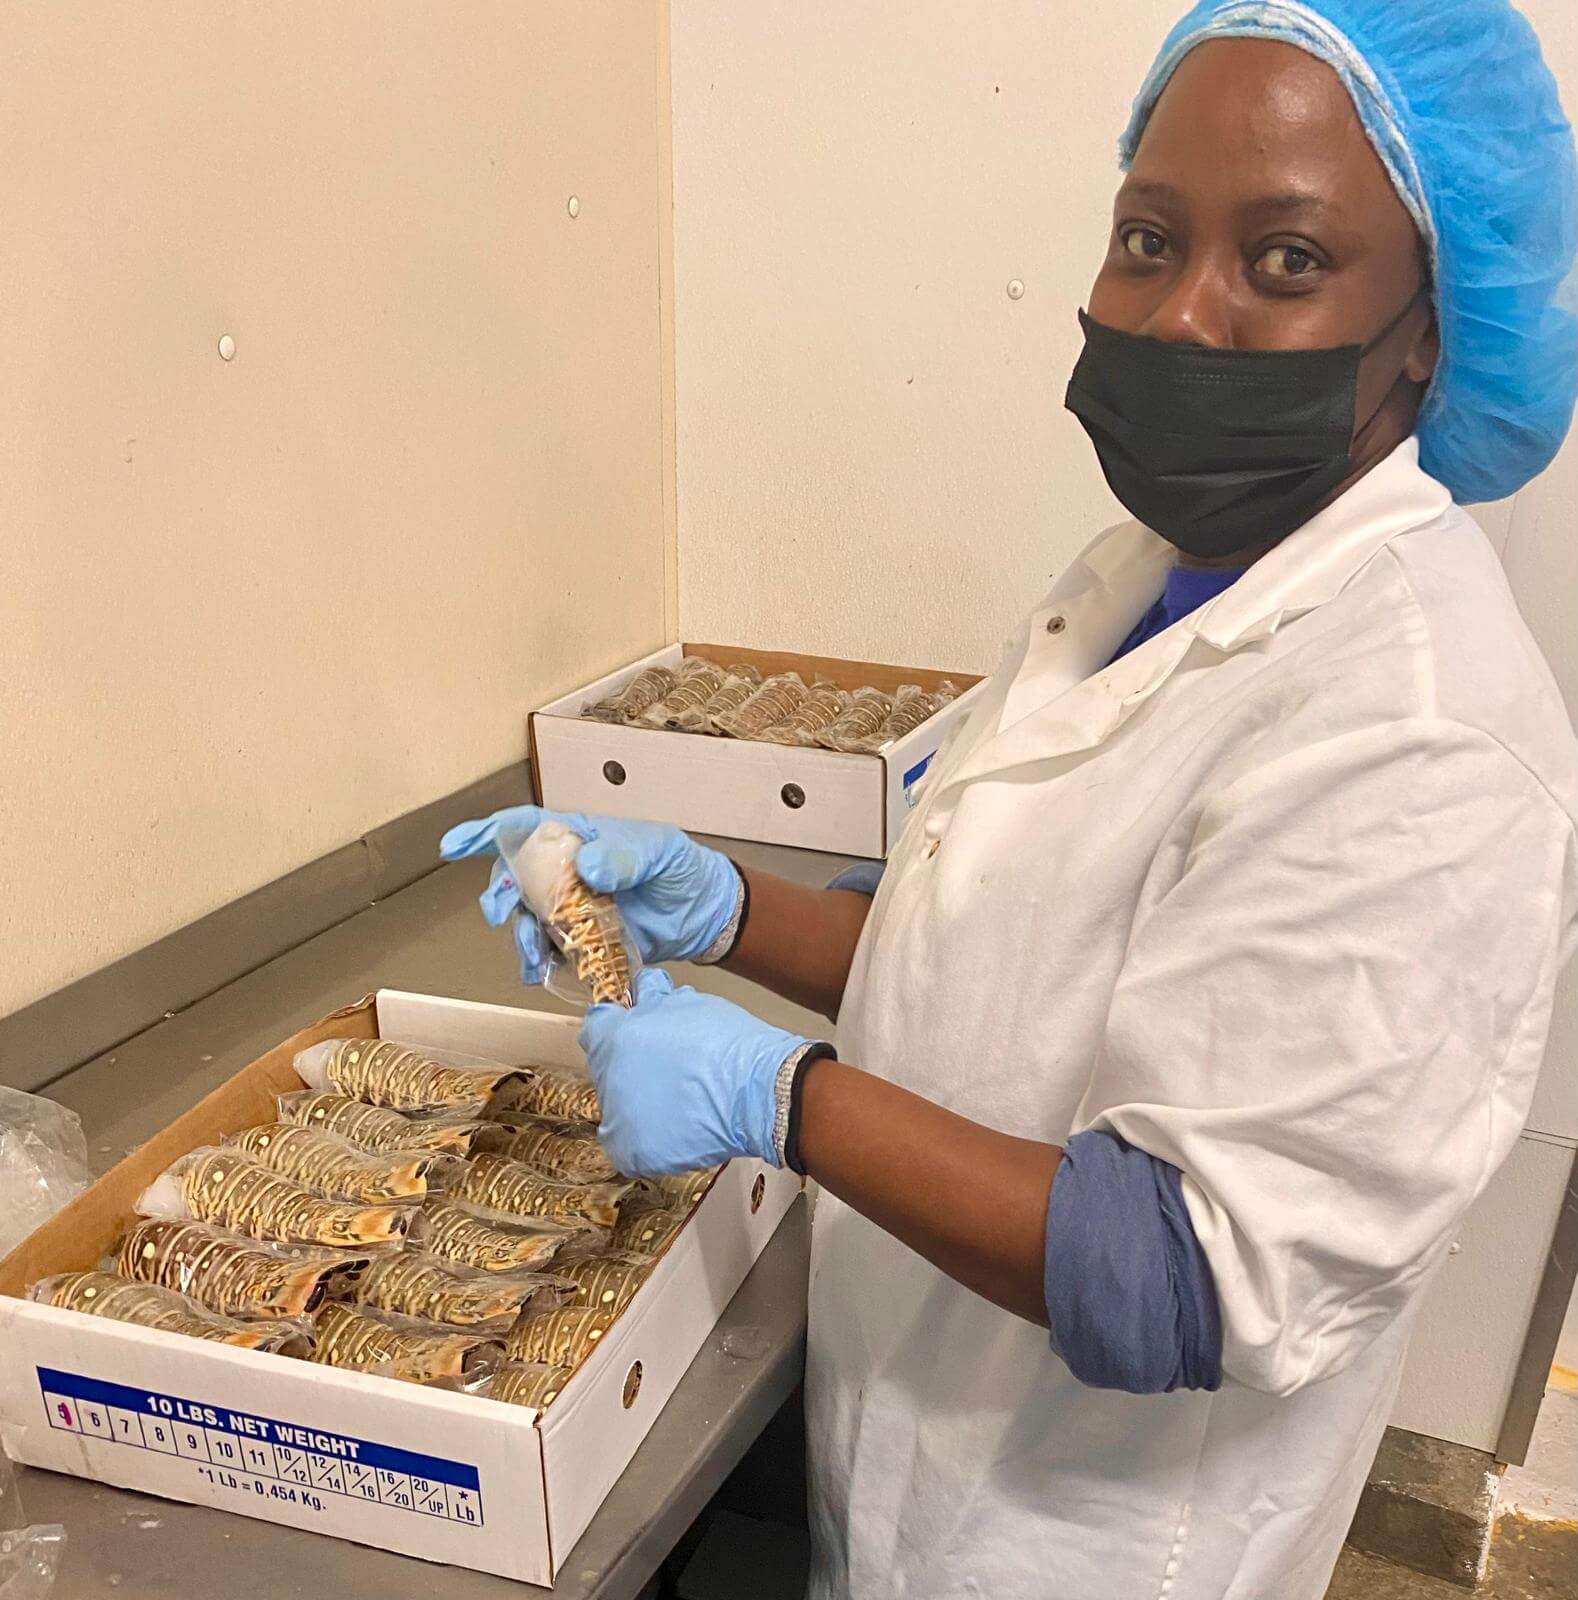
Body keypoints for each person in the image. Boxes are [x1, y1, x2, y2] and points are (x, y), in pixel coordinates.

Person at [443, 2, 1578, 1594]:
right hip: (918, 1448)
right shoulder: (1140, 584)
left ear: (1429, 333)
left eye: (1285, 261)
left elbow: (1186, 1272)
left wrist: (779, 1098)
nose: (1180, 316)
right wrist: (722, 907)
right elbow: (984, 972)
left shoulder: (1420, 729)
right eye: (1147, 238)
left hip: (1085, 1536)